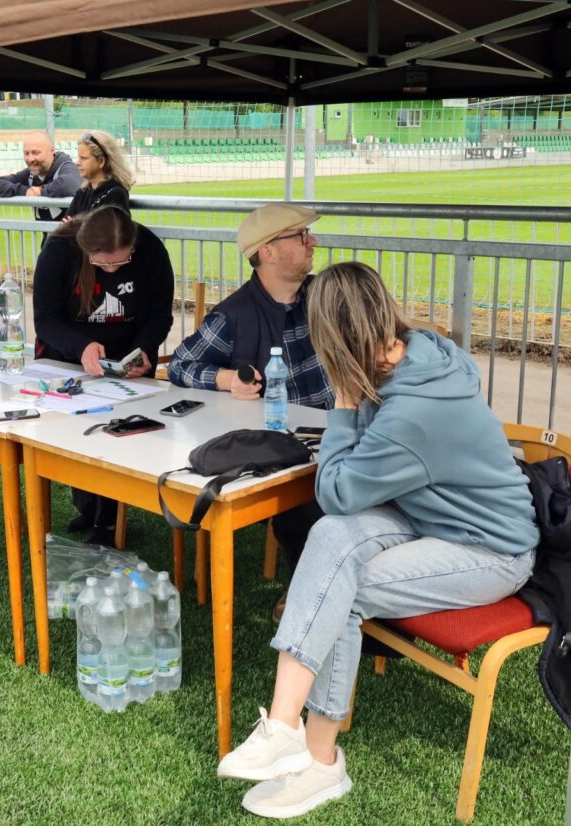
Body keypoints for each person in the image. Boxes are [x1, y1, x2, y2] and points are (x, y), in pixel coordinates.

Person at [216, 261, 538, 819]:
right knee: (330, 541)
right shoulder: (417, 353)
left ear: (332, 338)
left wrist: (343, 406)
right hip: (430, 513)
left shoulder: (411, 413)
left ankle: (317, 760)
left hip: (488, 548)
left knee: (339, 587)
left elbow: (337, 490)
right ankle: (288, 731)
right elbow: (344, 505)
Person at [168, 202, 334, 587]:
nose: (313, 242)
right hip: (284, 449)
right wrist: (228, 379)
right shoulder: (234, 315)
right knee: (301, 502)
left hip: (341, 433)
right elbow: (180, 365)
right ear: (268, 251)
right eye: (301, 236)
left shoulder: (326, 295)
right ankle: (309, 591)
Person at [33, 206, 173, 545]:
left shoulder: (151, 249)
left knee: (117, 435)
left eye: (121, 263)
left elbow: (160, 313)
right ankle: (89, 506)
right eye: (102, 264)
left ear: (133, 246)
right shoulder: (59, 250)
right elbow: (46, 319)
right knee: (74, 436)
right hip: (70, 362)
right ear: (85, 248)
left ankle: (108, 521)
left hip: (129, 364)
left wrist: (144, 349)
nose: (111, 270)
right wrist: (81, 347)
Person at [0, 131, 80, 221]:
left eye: (36, 153)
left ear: (51, 151)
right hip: (45, 231)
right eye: (26, 153)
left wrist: (41, 191)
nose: (30, 159)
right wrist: (26, 191)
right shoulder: (30, 174)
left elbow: (69, 184)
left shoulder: (66, 167)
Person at [65, 130, 133, 218]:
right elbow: (65, 225)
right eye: (78, 157)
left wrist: (75, 225)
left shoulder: (115, 194)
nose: (78, 163)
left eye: (83, 158)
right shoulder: (82, 193)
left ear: (101, 161)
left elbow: (107, 226)